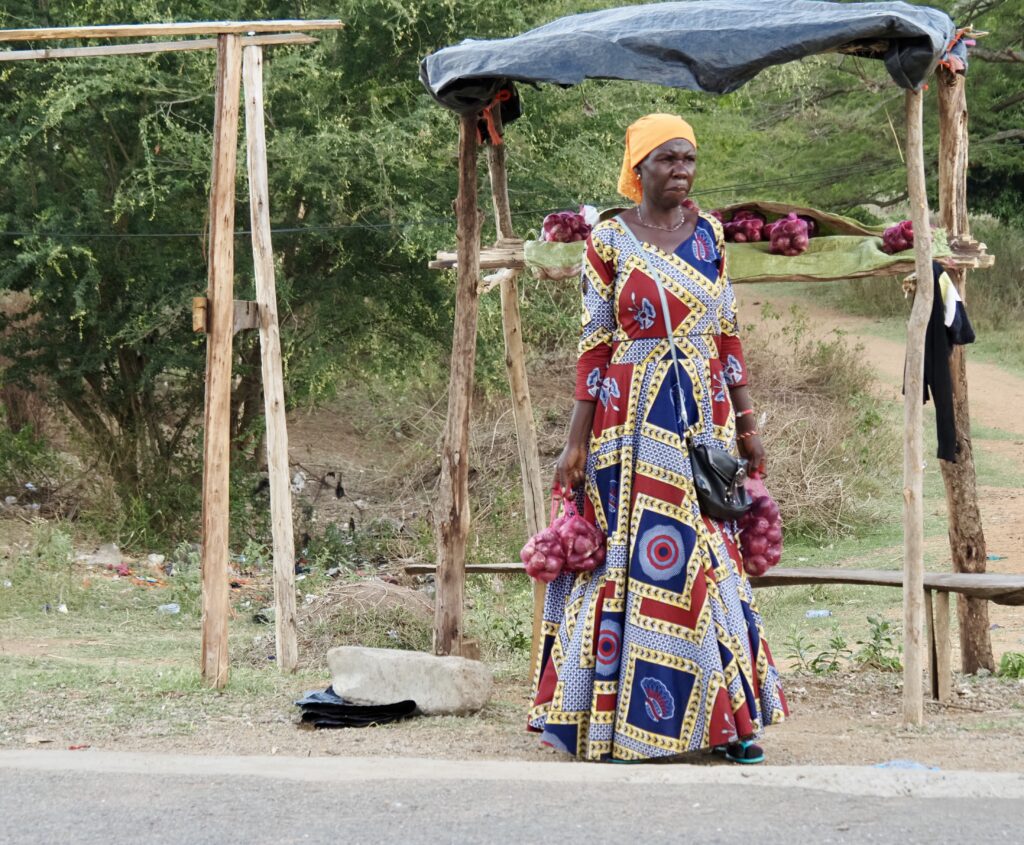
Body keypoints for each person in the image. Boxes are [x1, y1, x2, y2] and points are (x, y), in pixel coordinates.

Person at [528, 113, 787, 763]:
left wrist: (749, 426)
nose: (681, 171)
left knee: (706, 555)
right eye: (668, 159)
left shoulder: (710, 237)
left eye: (689, 160)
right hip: (627, 421)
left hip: (703, 423)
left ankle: (729, 722)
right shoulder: (609, 240)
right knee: (632, 560)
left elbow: (727, 336)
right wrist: (574, 442)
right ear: (638, 167)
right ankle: (611, 719)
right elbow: (594, 344)